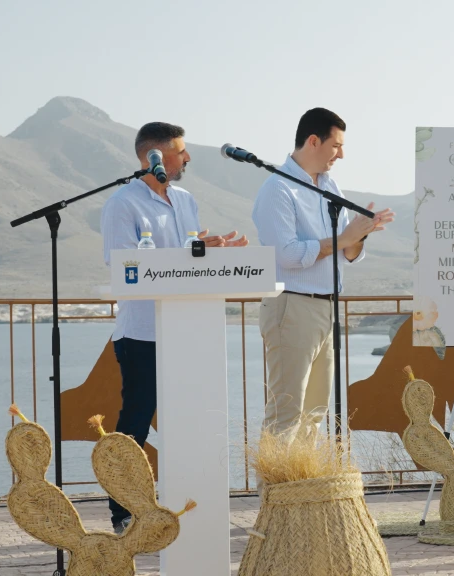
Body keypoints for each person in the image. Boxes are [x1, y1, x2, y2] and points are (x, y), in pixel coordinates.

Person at [100, 122, 247, 534]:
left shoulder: (186, 200)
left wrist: (213, 248)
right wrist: (194, 250)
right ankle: (123, 512)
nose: (188, 159)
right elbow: (124, 265)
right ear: (156, 156)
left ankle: (190, 503)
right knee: (136, 422)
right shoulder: (123, 204)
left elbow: (190, 257)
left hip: (188, 330)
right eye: (182, 151)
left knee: (191, 416)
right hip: (143, 331)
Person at [253, 108, 394, 438]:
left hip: (326, 307)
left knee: (314, 414)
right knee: (285, 412)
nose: (341, 155)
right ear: (313, 141)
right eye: (336, 145)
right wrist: (344, 238)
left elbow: (347, 253)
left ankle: (303, 488)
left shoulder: (330, 188)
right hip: (292, 306)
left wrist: (362, 233)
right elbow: (287, 255)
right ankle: (273, 489)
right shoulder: (278, 189)